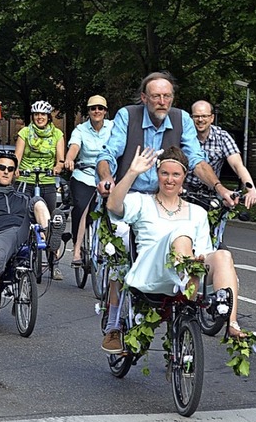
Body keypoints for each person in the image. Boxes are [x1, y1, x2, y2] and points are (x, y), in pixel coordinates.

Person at [101, 146, 245, 353]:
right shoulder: (142, 202)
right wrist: (132, 172)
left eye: (175, 174)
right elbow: (113, 206)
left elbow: (204, 252)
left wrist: (200, 258)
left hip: (188, 272)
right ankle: (187, 286)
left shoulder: (197, 213)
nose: (170, 180)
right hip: (151, 271)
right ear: (157, 174)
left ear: (184, 177)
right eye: (164, 173)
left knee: (223, 255)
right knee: (180, 235)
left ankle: (231, 322)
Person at [96, 72, 235, 203]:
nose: (162, 102)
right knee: (119, 229)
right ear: (144, 98)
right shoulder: (127, 115)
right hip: (128, 195)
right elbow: (108, 154)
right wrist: (106, 178)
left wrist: (220, 189)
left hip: (165, 199)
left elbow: (196, 160)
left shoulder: (183, 119)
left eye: (167, 96)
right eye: (156, 96)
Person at [0, 151, 66, 313]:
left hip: (23, 231)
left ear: (15, 173)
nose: (6, 171)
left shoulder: (23, 198)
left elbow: (33, 218)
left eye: (10, 169)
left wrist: (40, 231)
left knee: (37, 201)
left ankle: (49, 234)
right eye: (1, 167)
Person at [15, 100, 65, 280]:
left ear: (48, 116)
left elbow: (60, 158)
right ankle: (21, 257)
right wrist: (16, 168)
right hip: (26, 180)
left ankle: (55, 263)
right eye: (36, 114)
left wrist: (58, 168)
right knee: (22, 218)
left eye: (43, 114)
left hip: (47, 179)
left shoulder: (57, 134)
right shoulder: (25, 132)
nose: (39, 117)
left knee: (51, 223)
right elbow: (17, 156)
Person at [64, 95, 113, 268]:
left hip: (108, 176)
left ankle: (111, 248)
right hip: (84, 174)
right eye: (93, 108)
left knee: (116, 209)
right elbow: (74, 147)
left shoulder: (113, 128)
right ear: (88, 112)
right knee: (82, 206)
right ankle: (77, 250)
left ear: (105, 111)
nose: (97, 111)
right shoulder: (80, 130)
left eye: (100, 108)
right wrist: (69, 159)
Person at [186, 100, 256, 208]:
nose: (200, 120)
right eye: (196, 116)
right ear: (191, 118)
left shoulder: (222, 137)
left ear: (212, 118)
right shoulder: (185, 136)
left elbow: (237, 165)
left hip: (212, 191)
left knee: (226, 207)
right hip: (186, 190)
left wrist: (251, 189)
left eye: (204, 116)